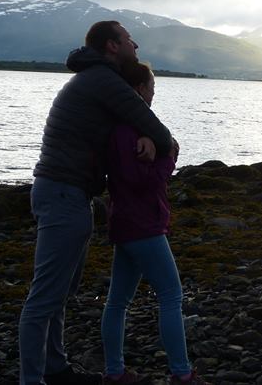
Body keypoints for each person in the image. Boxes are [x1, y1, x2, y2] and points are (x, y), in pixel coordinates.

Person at [19, 21, 174, 385]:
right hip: (63, 193)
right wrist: (154, 140)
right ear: (111, 46)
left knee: (60, 293)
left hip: (68, 193)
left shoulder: (94, 78)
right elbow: (160, 132)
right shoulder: (103, 80)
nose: (135, 45)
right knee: (44, 298)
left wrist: (145, 137)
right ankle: (31, 379)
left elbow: (136, 126)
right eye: (128, 40)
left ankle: (56, 370)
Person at [100, 61, 208, 385]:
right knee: (171, 296)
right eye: (152, 88)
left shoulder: (127, 128)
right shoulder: (126, 132)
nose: (153, 94)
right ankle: (182, 374)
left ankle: (115, 372)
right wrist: (169, 156)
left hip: (125, 222)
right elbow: (141, 182)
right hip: (142, 224)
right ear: (139, 89)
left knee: (118, 301)